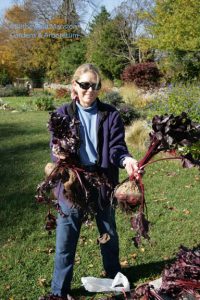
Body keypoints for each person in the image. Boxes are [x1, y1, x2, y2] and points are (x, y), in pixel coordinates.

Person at [39, 63, 139, 300]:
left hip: (102, 181)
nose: (89, 90)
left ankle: (115, 280)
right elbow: (56, 146)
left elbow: (116, 148)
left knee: (108, 234)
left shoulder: (110, 114)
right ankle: (59, 291)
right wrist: (59, 154)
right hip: (72, 184)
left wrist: (126, 161)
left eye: (95, 86)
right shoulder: (63, 114)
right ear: (75, 85)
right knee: (66, 239)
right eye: (84, 85)